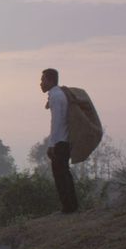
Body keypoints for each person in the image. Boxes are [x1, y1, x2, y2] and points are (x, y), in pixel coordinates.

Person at [41, 68, 77, 213]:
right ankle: (72, 205)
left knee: (60, 175)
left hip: (60, 141)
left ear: (50, 81)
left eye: (43, 80)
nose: (41, 83)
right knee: (65, 173)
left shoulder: (56, 97)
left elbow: (56, 122)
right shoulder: (59, 94)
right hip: (65, 140)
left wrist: (51, 145)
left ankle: (68, 207)